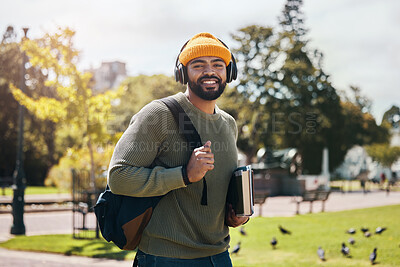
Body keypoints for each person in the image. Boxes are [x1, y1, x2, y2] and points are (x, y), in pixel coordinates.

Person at [108, 32, 249, 267]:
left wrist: (234, 216)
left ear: (229, 72)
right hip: (166, 257)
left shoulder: (228, 124)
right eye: (198, 65)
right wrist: (183, 175)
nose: (210, 71)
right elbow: (118, 177)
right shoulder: (159, 115)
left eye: (218, 64)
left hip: (220, 256)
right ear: (182, 73)